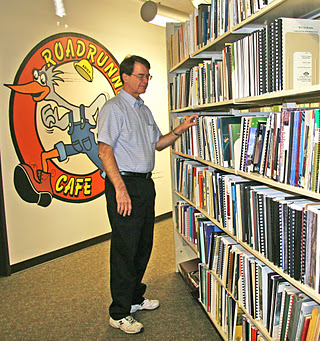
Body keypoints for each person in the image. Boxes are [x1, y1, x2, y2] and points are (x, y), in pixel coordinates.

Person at [97, 55, 197, 334]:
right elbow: (105, 152)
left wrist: (180, 129)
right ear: (125, 76)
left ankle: (134, 299)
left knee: (142, 245)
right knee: (124, 249)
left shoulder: (143, 110)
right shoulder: (113, 109)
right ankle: (118, 312)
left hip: (144, 185)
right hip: (124, 185)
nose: (145, 81)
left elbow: (158, 144)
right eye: (140, 76)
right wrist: (120, 190)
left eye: (147, 77)